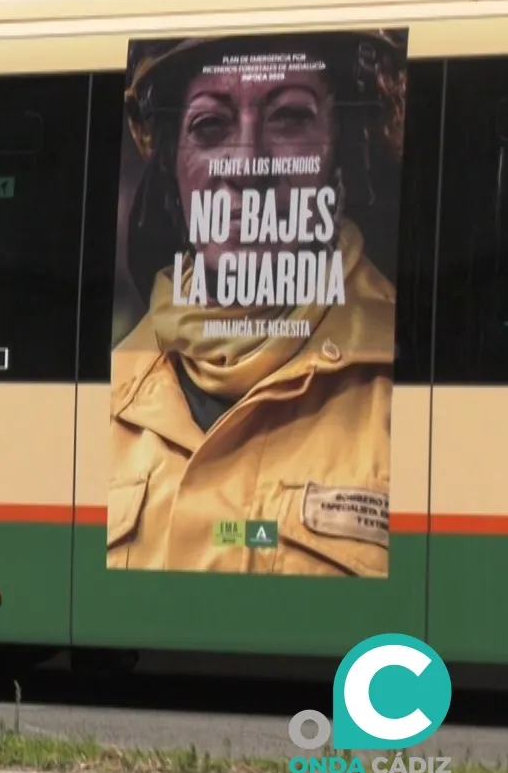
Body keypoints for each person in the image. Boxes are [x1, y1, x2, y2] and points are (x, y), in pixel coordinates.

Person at [107, 30, 406, 578]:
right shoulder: (110, 391)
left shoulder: (405, 377)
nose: (248, 164)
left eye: (289, 117)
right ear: (174, 163)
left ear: (342, 146)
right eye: (210, 125)